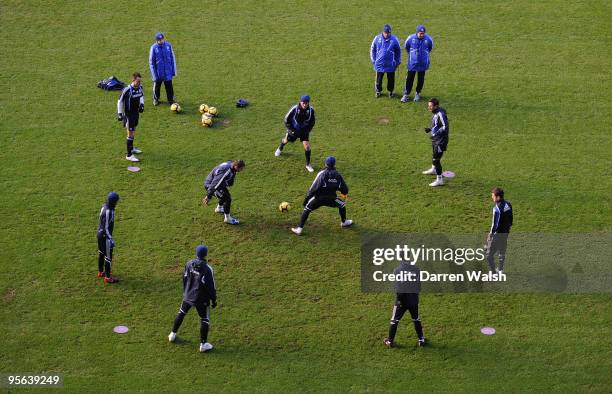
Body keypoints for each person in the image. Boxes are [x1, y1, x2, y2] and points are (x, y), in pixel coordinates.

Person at [168, 245, 217, 353]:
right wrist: (214, 300)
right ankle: (203, 344)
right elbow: (211, 287)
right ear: (206, 254)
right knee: (204, 319)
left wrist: (186, 292)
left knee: (181, 312)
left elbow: (184, 278)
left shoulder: (189, 263)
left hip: (188, 295)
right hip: (201, 299)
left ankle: (172, 334)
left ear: (196, 253)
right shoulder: (208, 269)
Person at [291, 156, 353, 235]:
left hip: (318, 199)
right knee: (342, 205)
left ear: (325, 163)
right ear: (334, 164)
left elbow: (313, 188)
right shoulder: (338, 175)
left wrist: (306, 199)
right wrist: (343, 193)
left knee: (307, 209)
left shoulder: (322, 174)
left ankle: (299, 229)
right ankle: (344, 222)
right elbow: (345, 189)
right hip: (332, 199)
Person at [383, 261, 426, 348]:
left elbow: (398, 288)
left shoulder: (397, 270)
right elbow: (419, 286)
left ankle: (390, 341)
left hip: (402, 301)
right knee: (416, 319)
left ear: (400, 258)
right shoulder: (416, 269)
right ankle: (421, 340)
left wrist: (399, 301)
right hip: (414, 300)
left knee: (394, 320)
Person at [274, 95, 316, 173]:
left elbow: (312, 122)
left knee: (307, 147)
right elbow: (286, 120)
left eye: (306, 103)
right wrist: (292, 130)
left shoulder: (311, 110)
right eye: (303, 103)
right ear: (300, 102)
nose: (305, 104)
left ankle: (308, 164)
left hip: (304, 131)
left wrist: (308, 130)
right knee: (285, 140)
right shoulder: (294, 109)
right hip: (294, 130)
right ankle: (280, 148)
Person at [202, 160, 246, 225]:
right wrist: (208, 196)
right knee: (227, 198)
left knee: (225, 195)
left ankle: (219, 208)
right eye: (241, 168)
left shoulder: (231, 165)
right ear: (236, 166)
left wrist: (228, 183)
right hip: (210, 185)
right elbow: (215, 183)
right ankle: (227, 219)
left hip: (219, 184)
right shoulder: (226, 171)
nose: (241, 170)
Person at [400, 25, 434, 103]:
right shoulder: (410, 38)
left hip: (423, 63)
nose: (421, 35)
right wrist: (412, 56)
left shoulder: (428, 39)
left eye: (423, 33)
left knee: (420, 79)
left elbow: (430, 48)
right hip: (412, 63)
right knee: (409, 79)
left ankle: (418, 93)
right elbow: (407, 47)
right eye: (420, 33)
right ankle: (406, 94)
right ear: (416, 32)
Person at [117, 72, 144, 162]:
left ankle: (131, 148)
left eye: (140, 81)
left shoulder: (140, 87)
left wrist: (142, 104)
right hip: (129, 115)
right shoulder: (127, 90)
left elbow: (141, 96)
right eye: (138, 81)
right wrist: (120, 113)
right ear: (133, 80)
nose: (139, 83)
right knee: (130, 133)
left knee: (133, 131)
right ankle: (129, 155)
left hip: (136, 113)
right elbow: (120, 101)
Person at [422, 98, 449, 187]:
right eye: (428, 106)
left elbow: (445, 126)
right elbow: (437, 124)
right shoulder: (436, 112)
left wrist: (436, 133)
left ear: (436, 106)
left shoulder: (441, 113)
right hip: (435, 139)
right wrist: (430, 129)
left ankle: (439, 180)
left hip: (440, 141)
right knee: (434, 155)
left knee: (436, 160)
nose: (429, 108)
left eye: (430, 106)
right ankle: (434, 169)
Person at [486, 188, 513, 274]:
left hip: (497, 235)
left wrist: (490, 234)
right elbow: (511, 218)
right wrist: (509, 227)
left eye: (493, 196)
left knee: (488, 255)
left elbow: (495, 225)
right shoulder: (508, 204)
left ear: (498, 197)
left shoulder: (496, 209)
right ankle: (500, 269)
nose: (492, 198)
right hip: (505, 233)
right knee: (502, 251)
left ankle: (494, 273)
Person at [370, 24, 401, 98]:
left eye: (388, 33)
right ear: (383, 32)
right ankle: (378, 91)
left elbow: (398, 51)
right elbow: (372, 49)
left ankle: (390, 91)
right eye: (386, 33)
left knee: (391, 79)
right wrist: (373, 60)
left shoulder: (394, 39)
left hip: (391, 64)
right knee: (379, 79)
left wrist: (397, 61)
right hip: (379, 64)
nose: (387, 34)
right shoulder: (377, 38)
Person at [149, 32, 177, 106]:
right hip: (158, 73)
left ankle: (171, 100)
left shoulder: (168, 45)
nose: (161, 41)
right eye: (160, 40)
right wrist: (154, 75)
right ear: (156, 40)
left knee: (169, 87)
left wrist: (173, 71)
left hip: (168, 72)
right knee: (157, 87)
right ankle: (156, 99)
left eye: (162, 39)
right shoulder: (153, 48)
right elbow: (151, 63)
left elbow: (172, 58)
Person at [97, 192, 120, 283]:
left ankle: (100, 272)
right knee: (108, 257)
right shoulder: (109, 212)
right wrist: (110, 239)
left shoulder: (104, 207)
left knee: (101, 253)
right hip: (105, 236)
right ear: (114, 202)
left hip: (99, 234)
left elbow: (100, 222)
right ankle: (108, 277)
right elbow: (106, 228)